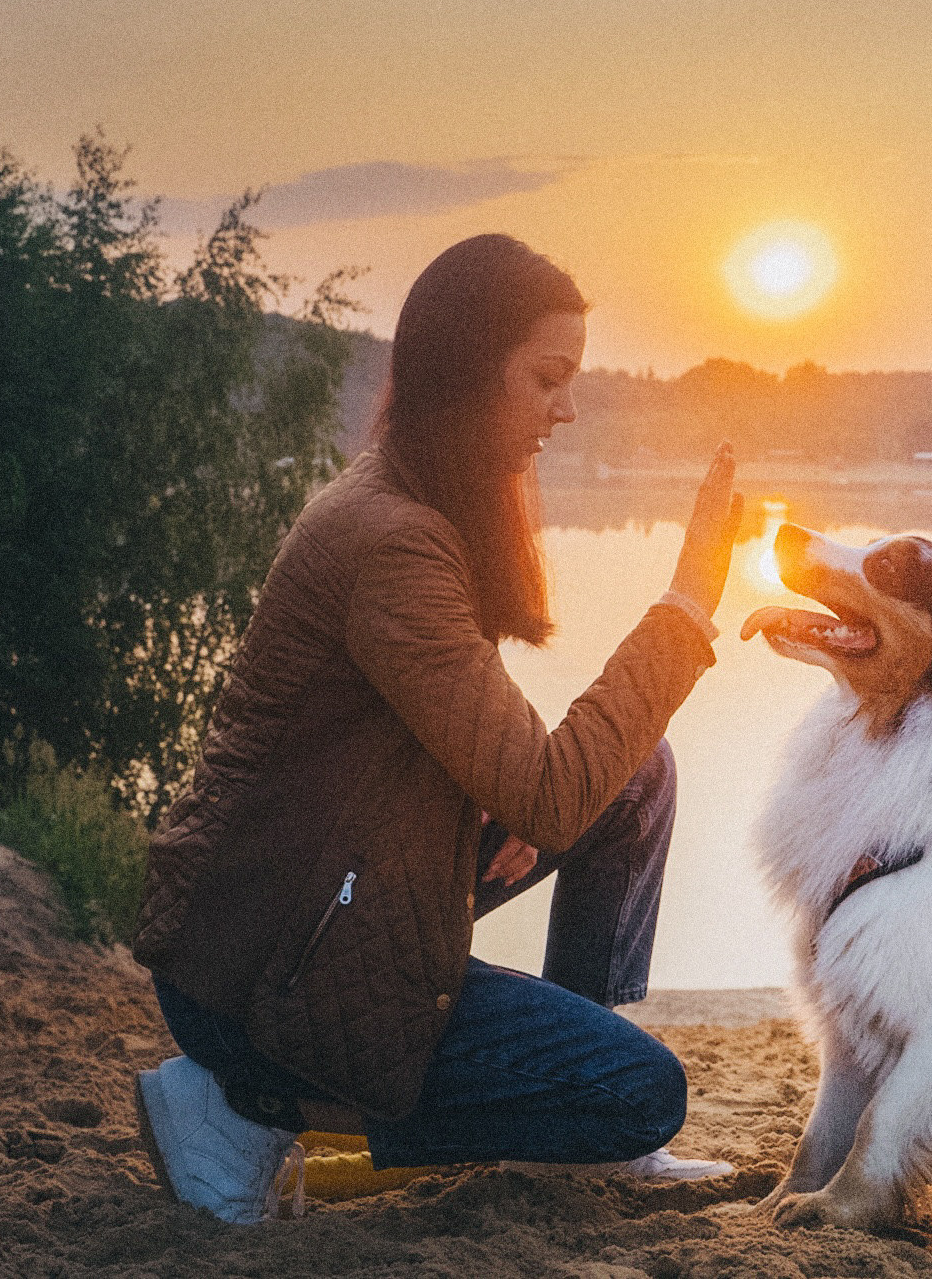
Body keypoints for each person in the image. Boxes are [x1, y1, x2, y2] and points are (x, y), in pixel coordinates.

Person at [129, 234, 744, 1224]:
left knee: (635, 775)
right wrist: (685, 603)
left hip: (329, 900)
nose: (567, 407)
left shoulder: (418, 502)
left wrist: (493, 799)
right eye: (548, 377)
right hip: (261, 977)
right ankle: (242, 1106)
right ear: (468, 370)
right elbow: (545, 791)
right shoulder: (394, 543)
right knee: (640, 1097)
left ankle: (570, 1124)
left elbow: (508, 759)